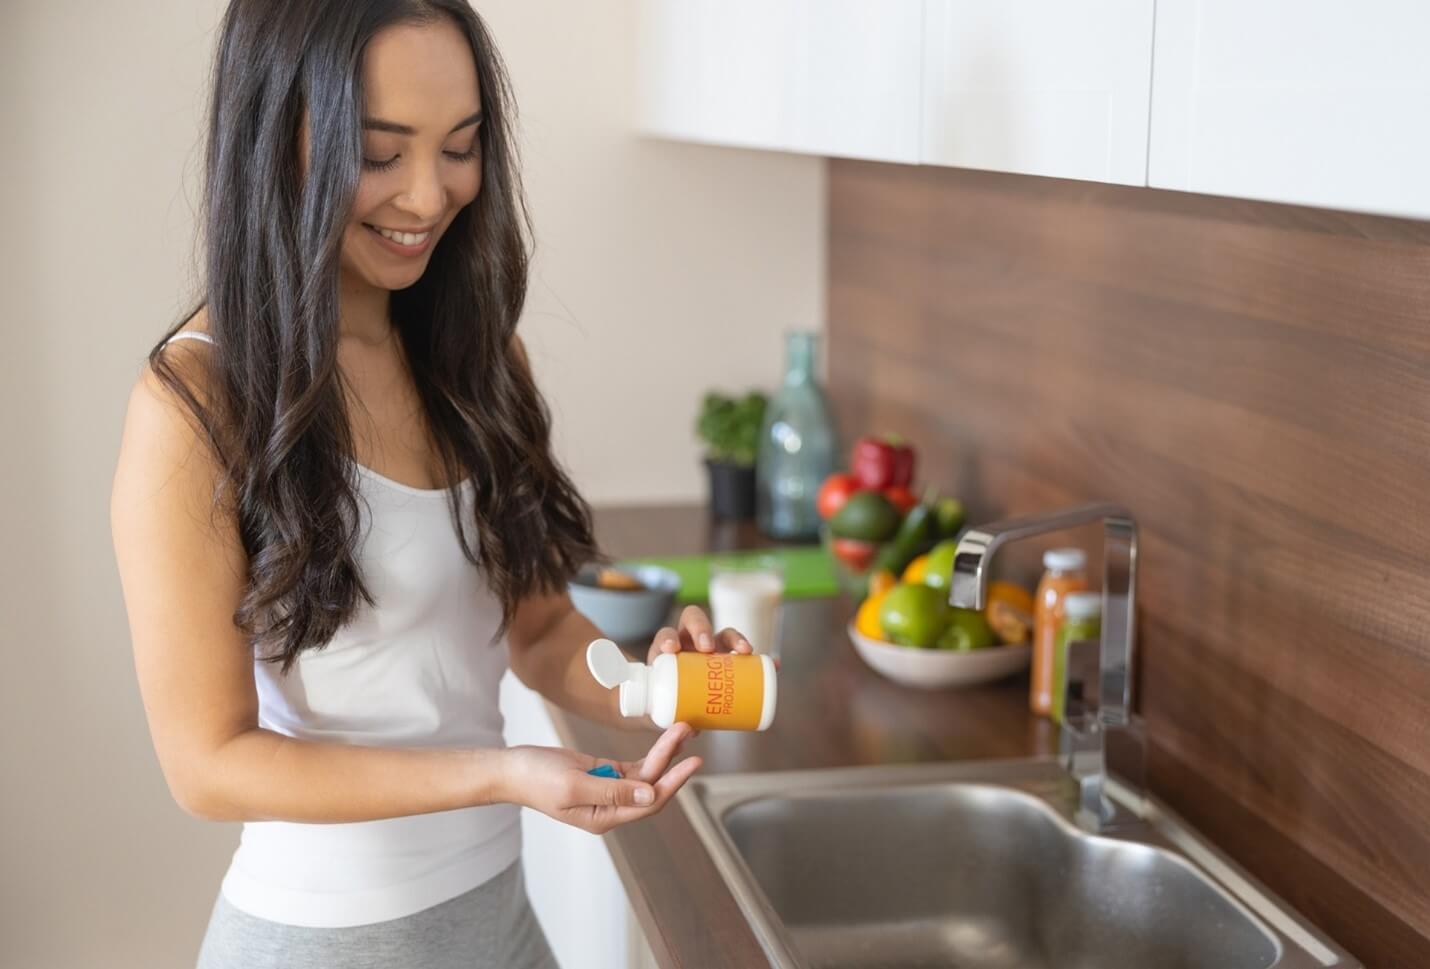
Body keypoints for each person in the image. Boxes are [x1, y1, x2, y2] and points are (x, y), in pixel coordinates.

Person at [109, 2, 753, 966]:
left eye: (461, 146)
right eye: (380, 153)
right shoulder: (196, 405)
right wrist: (500, 774)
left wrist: (662, 683)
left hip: (498, 920)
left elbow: (536, 631)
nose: (428, 195)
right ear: (275, 139)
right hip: (323, 939)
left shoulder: (477, 355)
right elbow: (207, 765)